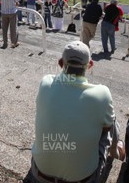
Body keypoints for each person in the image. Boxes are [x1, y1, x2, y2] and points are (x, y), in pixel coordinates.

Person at [27, 41, 123, 183]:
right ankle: (115, 151)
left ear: (61, 63)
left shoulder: (46, 82)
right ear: (90, 65)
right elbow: (107, 127)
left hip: (40, 173)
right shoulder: (102, 93)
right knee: (111, 121)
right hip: (83, 179)